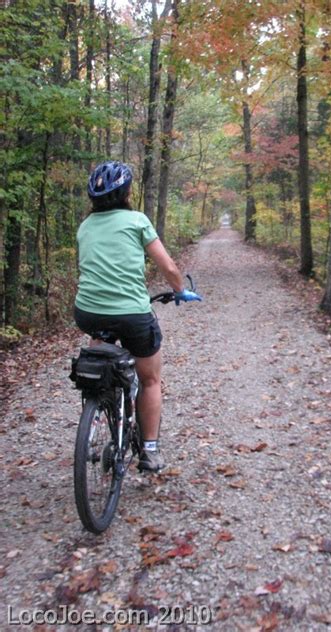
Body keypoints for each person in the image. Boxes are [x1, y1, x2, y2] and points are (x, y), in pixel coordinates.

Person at [74, 160, 202, 472]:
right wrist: (180, 289)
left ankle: (97, 411)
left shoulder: (85, 226)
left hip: (88, 312)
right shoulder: (136, 220)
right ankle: (150, 450)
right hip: (132, 314)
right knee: (150, 379)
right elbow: (169, 267)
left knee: (99, 358)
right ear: (128, 192)